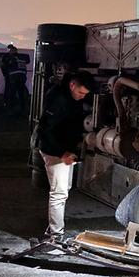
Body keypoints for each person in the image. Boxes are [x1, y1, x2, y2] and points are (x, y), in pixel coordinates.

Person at [37, 70, 94, 242]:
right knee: (59, 194)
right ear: (72, 85)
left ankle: (52, 232)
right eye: (80, 92)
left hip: (65, 151)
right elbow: (44, 130)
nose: (82, 97)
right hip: (55, 152)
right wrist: (62, 153)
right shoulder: (57, 99)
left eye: (85, 94)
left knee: (64, 190)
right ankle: (56, 237)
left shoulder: (71, 96)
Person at [2, 45, 28, 114]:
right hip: (21, 78)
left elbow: (7, 66)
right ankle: (22, 109)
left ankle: (11, 109)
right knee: (21, 94)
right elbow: (24, 69)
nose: (10, 52)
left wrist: (6, 75)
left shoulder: (11, 58)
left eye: (11, 50)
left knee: (12, 94)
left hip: (14, 79)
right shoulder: (21, 58)